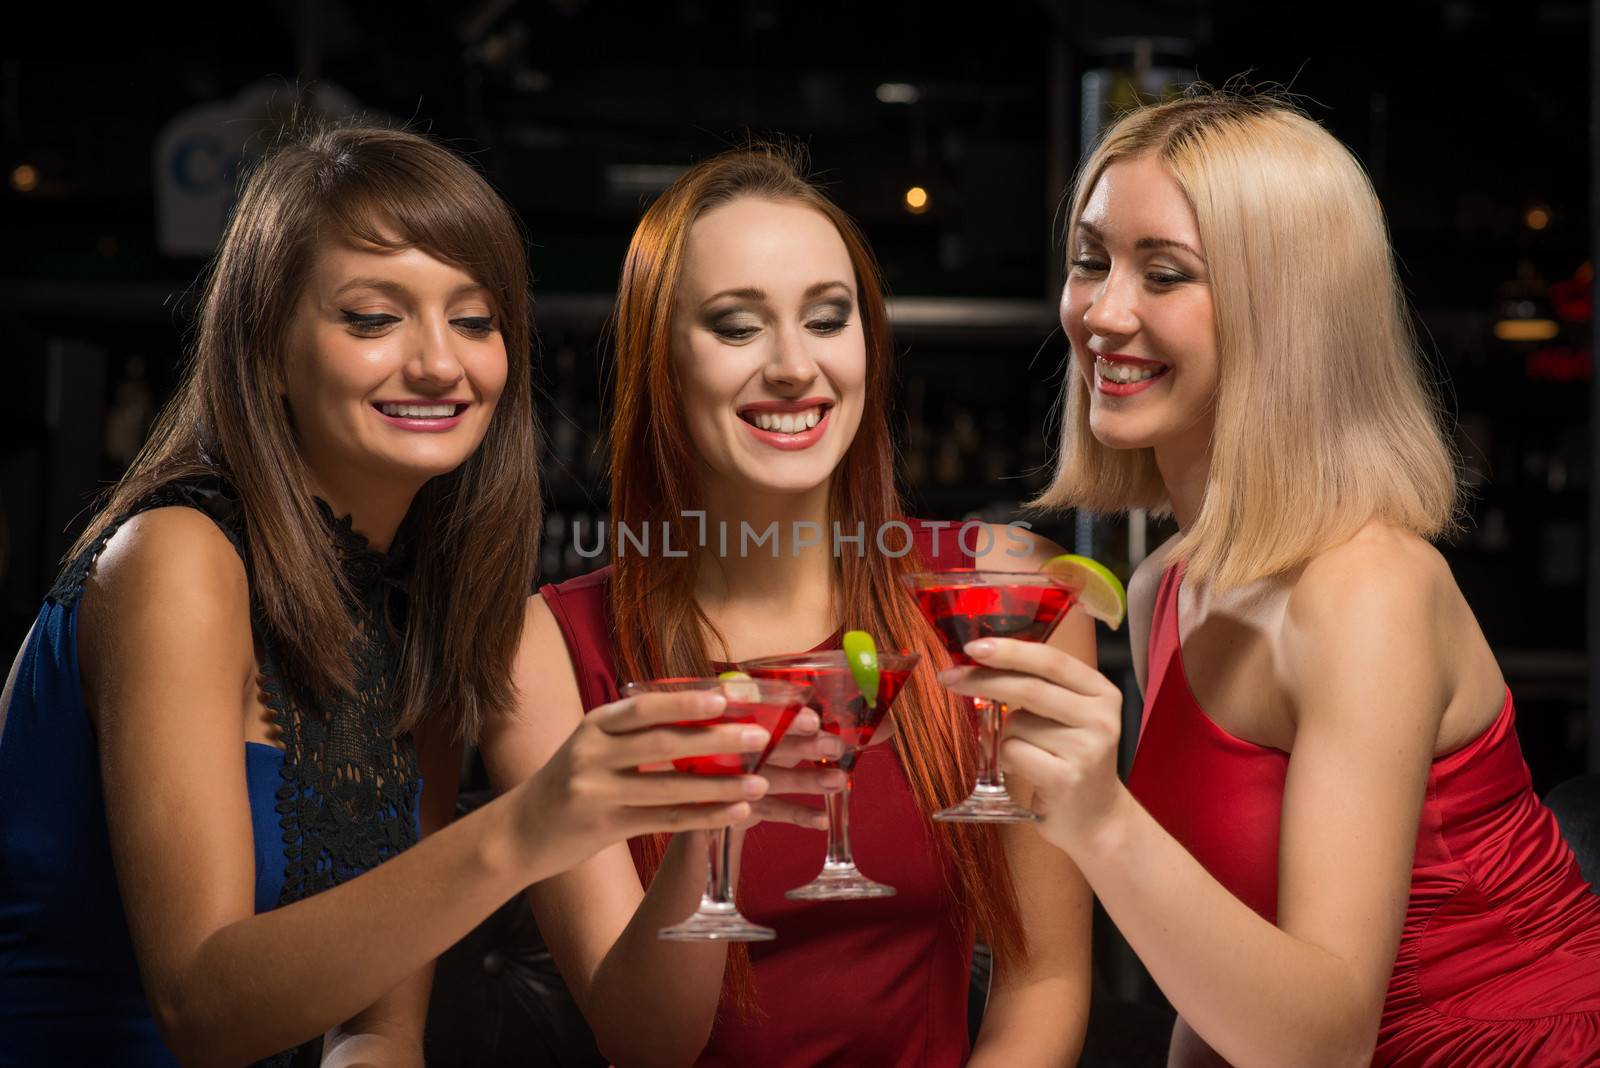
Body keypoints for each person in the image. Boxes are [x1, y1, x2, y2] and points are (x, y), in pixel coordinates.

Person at [0, 123, 782, 1068]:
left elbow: (376, 1030)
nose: (440, 364)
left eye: (475, 319)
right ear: (270, 351)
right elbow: (199, 1010)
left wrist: (695, 826)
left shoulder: (425, 606)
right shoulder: (176, 557)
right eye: (373, 320)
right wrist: (529, 826)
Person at [941, 87, 1600, 1066]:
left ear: (1283, 314)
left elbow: (1323, 1044)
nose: (1101, 312)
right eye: (1091, 262)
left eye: (1164, 274)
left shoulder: (1365, 589)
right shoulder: (1170, 582)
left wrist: (1097, 817)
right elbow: (1222, 989)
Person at [478, 143, 1095, 1067]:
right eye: (736, 327)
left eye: (828, 317)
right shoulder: (548, 653)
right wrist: (704, 837)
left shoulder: (1002, 595)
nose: (795, 367)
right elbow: (644, 1045)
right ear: (662, 364)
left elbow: (1044, 981)